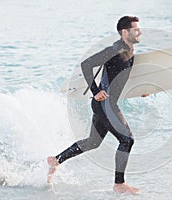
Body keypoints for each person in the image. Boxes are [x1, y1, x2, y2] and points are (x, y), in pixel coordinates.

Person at [47, 16, 147, 194]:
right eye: (136, 29)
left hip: (107, 104)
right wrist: (95, 91)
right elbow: (87, 65)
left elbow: (119, 79)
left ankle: (56, 160)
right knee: (127, 140)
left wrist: (138, 91)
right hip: (105, 104)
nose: (140, 32)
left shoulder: (129, 50)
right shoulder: (115, 49)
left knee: (93, 142)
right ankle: (119, 184)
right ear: (125, 32)